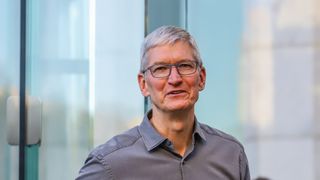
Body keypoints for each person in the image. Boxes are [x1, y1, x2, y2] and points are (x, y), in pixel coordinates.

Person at [76, 26, 250, 180]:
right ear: (143, 84)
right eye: (160, 69)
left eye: (185, 66)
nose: (175, 79)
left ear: (202, 78)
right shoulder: (109, 164)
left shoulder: (231, 154)